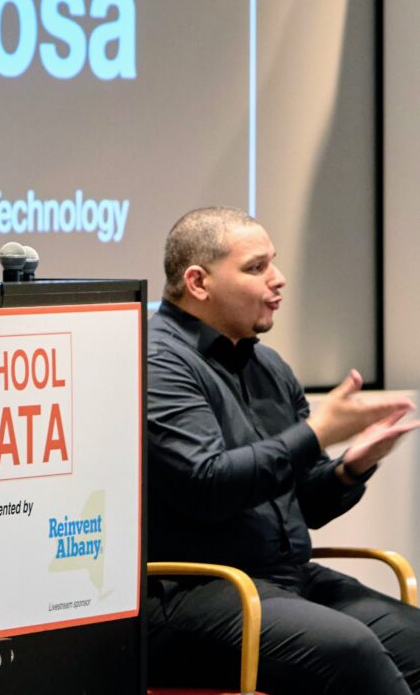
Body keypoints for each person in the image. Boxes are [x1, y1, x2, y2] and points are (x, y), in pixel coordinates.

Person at [147, 206, 420, 695]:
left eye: (273, 263)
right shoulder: (159, 363)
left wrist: (353, 466)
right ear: (198, 282)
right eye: (256, 268)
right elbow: (207, 486)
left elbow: (307, 507)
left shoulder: (267, 365)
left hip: (285, 580)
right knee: (350, 653)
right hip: (197, 591)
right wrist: (315, 433)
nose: (278, 280)